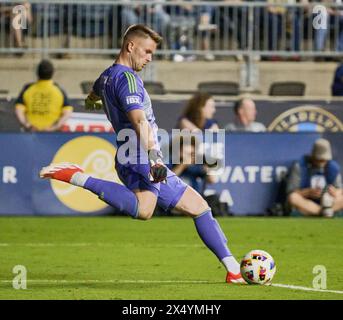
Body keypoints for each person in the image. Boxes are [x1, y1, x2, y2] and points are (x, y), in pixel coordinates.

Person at [39, 24, 245, 284]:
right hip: (138, 154)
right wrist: (155, 157)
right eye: (147, 52)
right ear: (130, 46)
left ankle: (234, 269)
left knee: (200, 207)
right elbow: (139, 121)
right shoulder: (127, 79)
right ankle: (77, 177)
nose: (149, 59)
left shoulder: (106, 76)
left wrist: (93, 100)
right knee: (144, 210)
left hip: (133, 152)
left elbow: (93, 94)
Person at [286, 138, 343, 217]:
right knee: (293, 198)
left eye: (324, 160)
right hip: (308, 203)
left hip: (330, 202)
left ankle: (326, 211)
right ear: (313, 156)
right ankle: (322, 212)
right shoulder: (300, 166)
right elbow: (292, 191)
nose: (321, 162)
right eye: (319, 159)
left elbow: (340, 190)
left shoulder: (333, 167)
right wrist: (307, 192)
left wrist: (335, 192)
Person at [15, 60, 73, 132]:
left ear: (37, 73)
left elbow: (19, 110)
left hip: (31, 133)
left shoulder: (28, 88)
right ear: (52, 73)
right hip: (51, 134)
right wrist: (55, 127)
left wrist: (26, 124)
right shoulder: (59, 90)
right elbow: (67, 112)